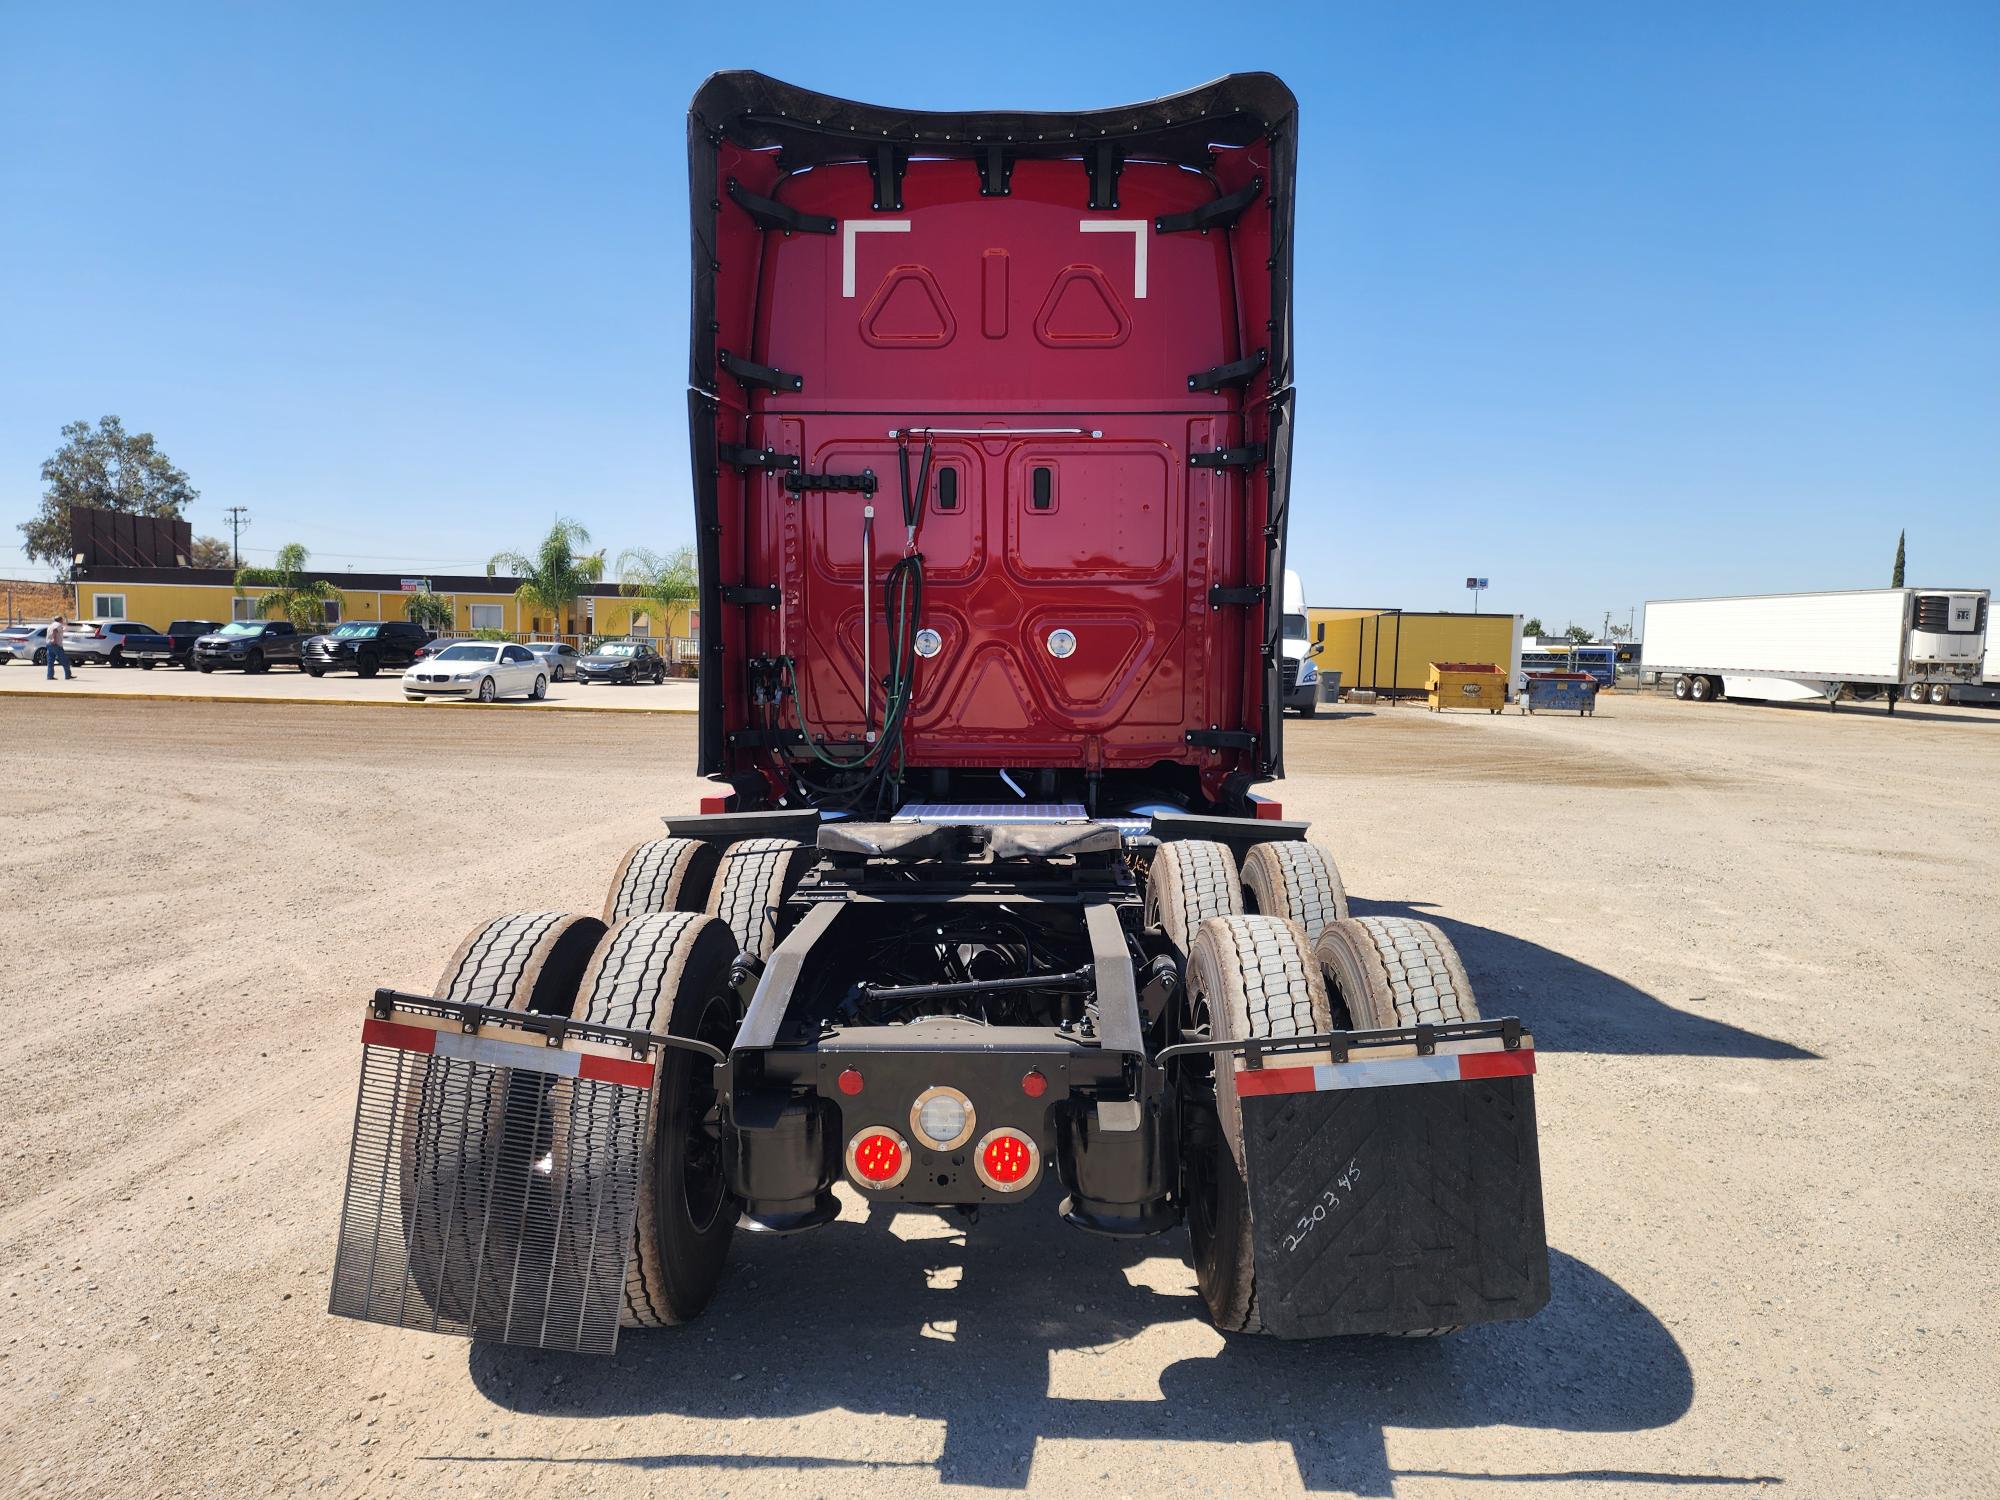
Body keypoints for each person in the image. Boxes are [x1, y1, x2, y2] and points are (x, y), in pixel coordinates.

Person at [45, 614, 73, 681]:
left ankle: (50, 676)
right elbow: (55, 630)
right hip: (56, 645)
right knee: (64, 660)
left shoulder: (50, 625)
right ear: (60, 620)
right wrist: (54, 639)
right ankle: (68, 675)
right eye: (62, 620)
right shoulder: (58, 625)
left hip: (49, 644)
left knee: (50, 661)